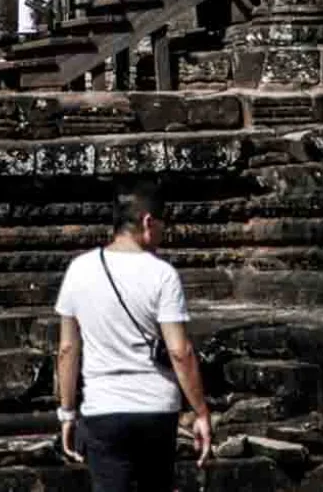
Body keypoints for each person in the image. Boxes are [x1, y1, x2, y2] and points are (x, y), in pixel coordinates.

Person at [54, 183, 212, 491]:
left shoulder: (79, 270)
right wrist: (201, 411)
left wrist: (67, 412)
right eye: (164, 224)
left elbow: (67, 348)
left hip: (103, 408)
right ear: (148, 222)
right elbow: (180, 351)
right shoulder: (162, 274)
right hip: (156, 409)